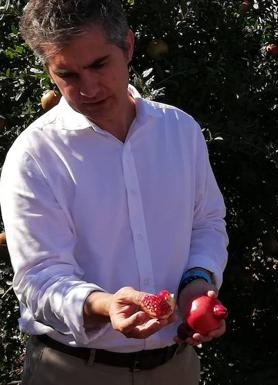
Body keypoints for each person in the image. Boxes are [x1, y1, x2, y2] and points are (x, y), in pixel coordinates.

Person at [0, 1, 228, 384]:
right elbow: (38, 277)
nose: (88, 88)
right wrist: (103, 305)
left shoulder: (180, 131)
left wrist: (198, 284)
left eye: (99, 65)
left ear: (128, 45)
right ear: (48, 70)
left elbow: (205, 223)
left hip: (176, 366)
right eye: (67, 74)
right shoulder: (34, 155)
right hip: (74, 371)